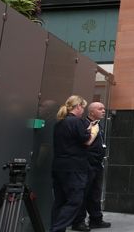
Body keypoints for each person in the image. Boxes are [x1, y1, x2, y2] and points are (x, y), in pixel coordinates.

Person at [50, 95, 99, 232]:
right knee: (75, 200)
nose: (83, 111)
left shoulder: (59, 123)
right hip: (74, 168)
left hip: (59, 166)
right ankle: (56, 229)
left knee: (60, 201)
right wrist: (93, 131)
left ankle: (56, 228)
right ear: (78, 106)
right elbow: (87, 141)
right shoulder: (76, 122)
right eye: (82, 107)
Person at [73, 102, 111, 230]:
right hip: (87, 163)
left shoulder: (99, 125)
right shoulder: (84, 124)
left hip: (97, 164)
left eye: (104, 109)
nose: (103, 111)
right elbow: (84, 143)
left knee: (95, 193)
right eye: (100, 109)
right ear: (91, 112)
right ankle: (79, 221)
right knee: (84, 193)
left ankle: (96, 219)